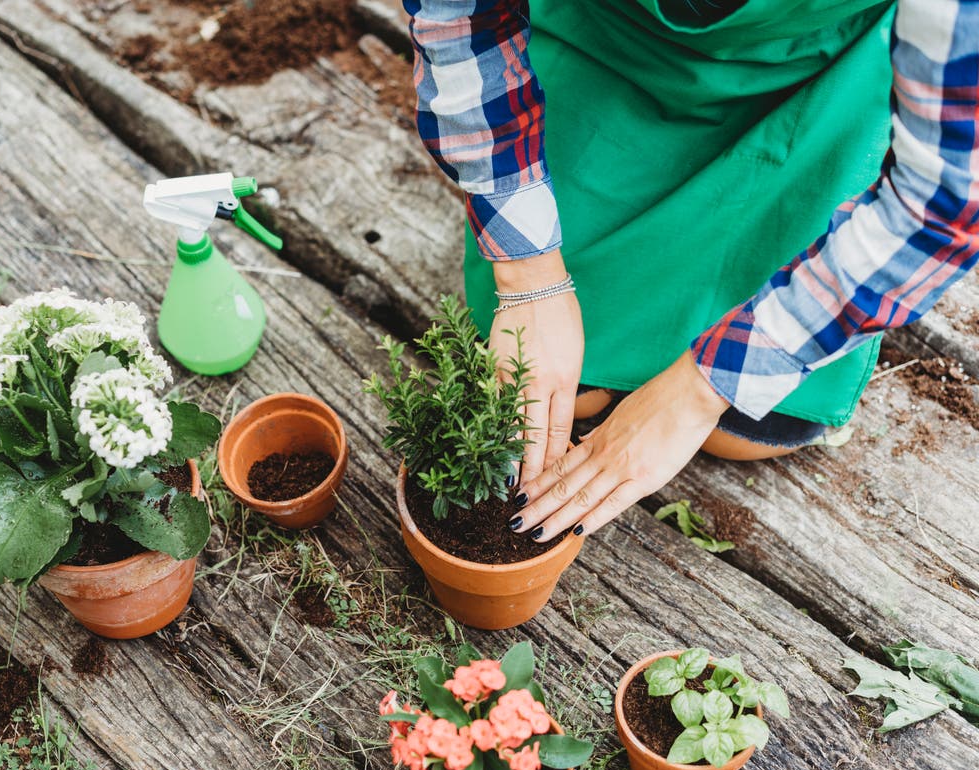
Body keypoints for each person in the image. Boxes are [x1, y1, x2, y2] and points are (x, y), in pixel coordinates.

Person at [404, 0, 977, 542]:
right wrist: (529, 278)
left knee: (743, 437)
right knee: (561, 393)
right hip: (611, 47)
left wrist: (703, 390)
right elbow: (459, 16)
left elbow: (943, 204)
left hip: (808, 91)